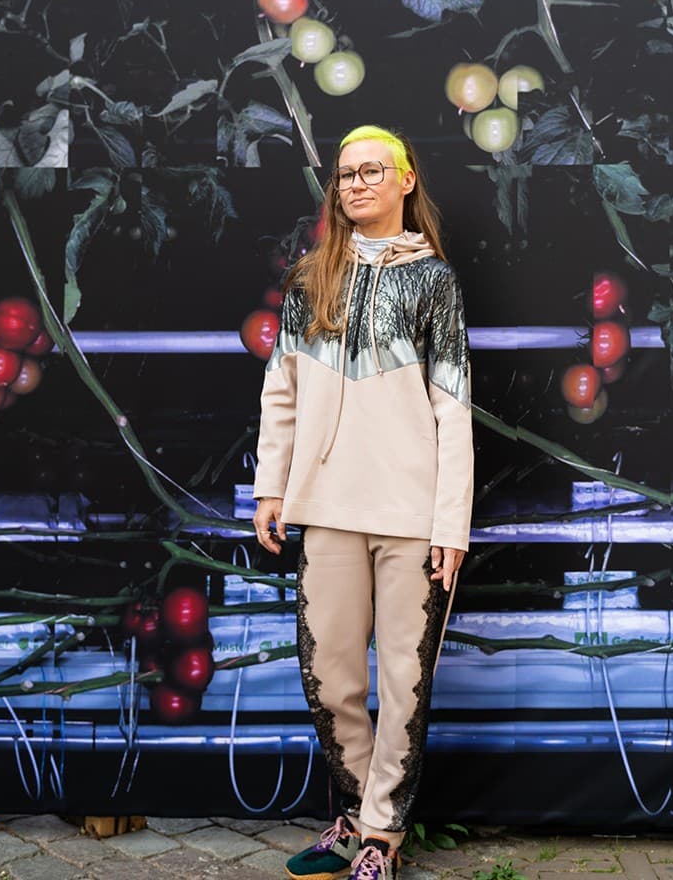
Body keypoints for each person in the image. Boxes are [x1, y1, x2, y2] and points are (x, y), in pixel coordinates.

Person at [252, 125, 474, 880]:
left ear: (406, 180)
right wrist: (272, 487)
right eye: (345, 175)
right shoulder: (310, 279)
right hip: (327, 512)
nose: (356, 185)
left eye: (372, 171)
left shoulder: (435, 283)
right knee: (331, 679)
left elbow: (453, 408)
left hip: (413, 520)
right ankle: (349, 820)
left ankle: (381, 837)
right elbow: (279, 393)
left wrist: (451, 525)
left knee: (404, 686)